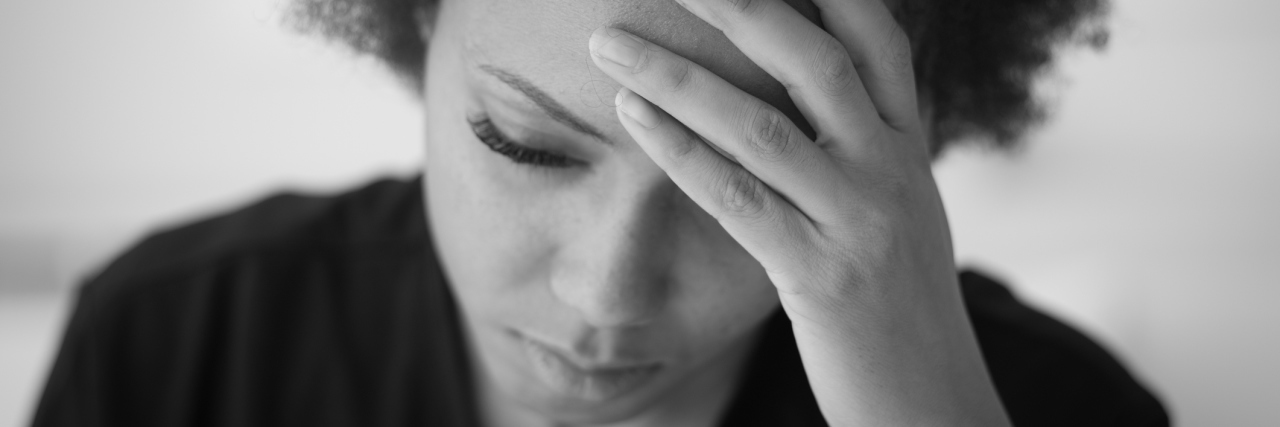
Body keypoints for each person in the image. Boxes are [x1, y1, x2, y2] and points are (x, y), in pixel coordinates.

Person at [32, 0, 1169, 426]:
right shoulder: (175, 343)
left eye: (750, 193)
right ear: (413, 28)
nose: (604, 295)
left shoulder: (1049, 408)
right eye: (521, 144)